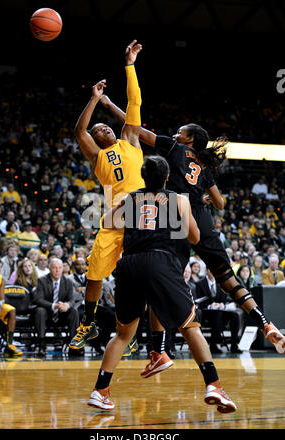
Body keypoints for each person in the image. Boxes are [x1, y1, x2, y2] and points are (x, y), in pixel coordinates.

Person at [100, 97, 285, 355]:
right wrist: (204, 198)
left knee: (158, 278)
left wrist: (109, 105)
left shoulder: (174, 148)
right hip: (203, 216)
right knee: (228, 279)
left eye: (180, 132)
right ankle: (266, 324)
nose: (176, 133)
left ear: (188, 139)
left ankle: (159, 350)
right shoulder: (203, 164)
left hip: (179, 213)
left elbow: (136, 129)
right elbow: (220, 203)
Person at [88, 155, 237, 414]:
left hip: (130, 263)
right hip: (160, 260)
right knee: (190, 325)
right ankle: (213, 384)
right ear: (167, 177)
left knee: (123, 334)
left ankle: (100, 391)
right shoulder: (178, 200)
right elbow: (194, 236)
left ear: (144, 177)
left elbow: (106, 222)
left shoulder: (129, 198)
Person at [69, 40, 146, 353]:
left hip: (143, 217)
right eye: (100, 128)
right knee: (94, 272)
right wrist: (93, 100)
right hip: (114, 220)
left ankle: (133, 335)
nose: (104, 128)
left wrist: (129, 66)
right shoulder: (97, 157)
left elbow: (134, 104)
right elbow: (80, 132)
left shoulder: (130, 139)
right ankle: (88, 323)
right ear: (98, 140)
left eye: (106, 125)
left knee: (138, 278)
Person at [32, 258, 79, 357]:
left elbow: (72, 300)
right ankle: (41, 345)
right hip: (47, 314)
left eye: (60, 268)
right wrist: (53, 306)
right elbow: (38, 299)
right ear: (50, 269)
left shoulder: (68, 282)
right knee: (40, 311)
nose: (57, 270)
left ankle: (74, 346)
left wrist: (66, 305)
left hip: (62, 314)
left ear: (63, 269)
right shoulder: (42, 280)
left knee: (73, 311)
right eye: (54, 268)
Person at [195, 268, 242, 354]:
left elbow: (223, 300)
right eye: (211, 270)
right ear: (207, 270)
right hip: (206, 313)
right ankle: (214, 344)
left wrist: (222, 305)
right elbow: (198, 302)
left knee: (234, 315)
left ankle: (234, 344)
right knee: (217, 314)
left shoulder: (221, 283)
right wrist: (209, 306)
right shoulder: (200, 284)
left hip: (220, 311)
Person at [0, 254, 23, 357]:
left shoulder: (0, 278)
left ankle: (9, 345)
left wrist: (0, 303)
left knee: (12, 310)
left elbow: (2, 297)